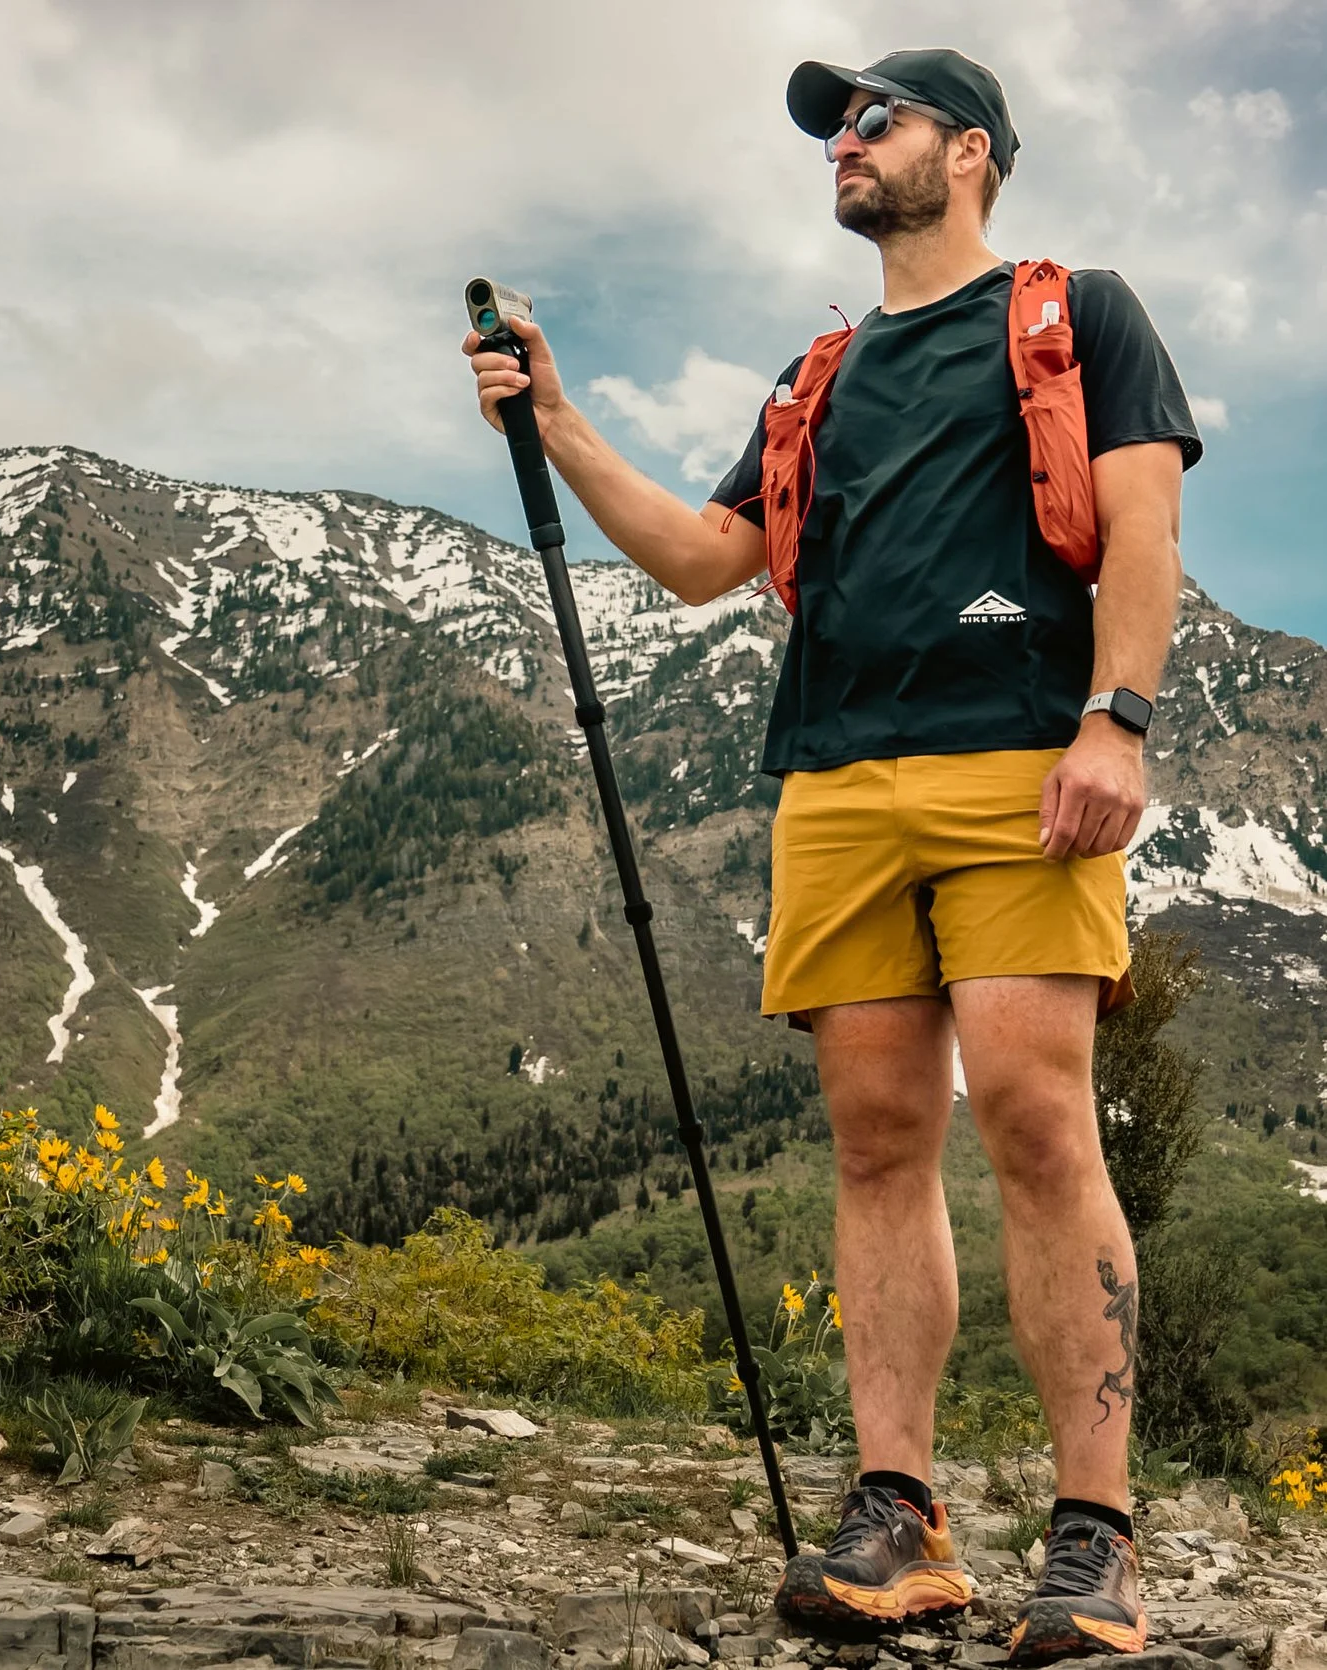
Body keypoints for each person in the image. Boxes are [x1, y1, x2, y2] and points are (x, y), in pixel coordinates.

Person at [463, 47, 1201, 1664]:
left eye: (878, 121)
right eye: (836, 131)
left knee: (1031, 1113)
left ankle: (1096, 1534)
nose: (846, 148)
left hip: (1020, 760)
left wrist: (1118, 720)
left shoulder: (1082, 318)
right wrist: (565, 421)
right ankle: (899, 1511)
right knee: (876, 1140)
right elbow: (704, 562)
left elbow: (1143, 529)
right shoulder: (819, 377)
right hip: (836, 778)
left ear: (976, 152)